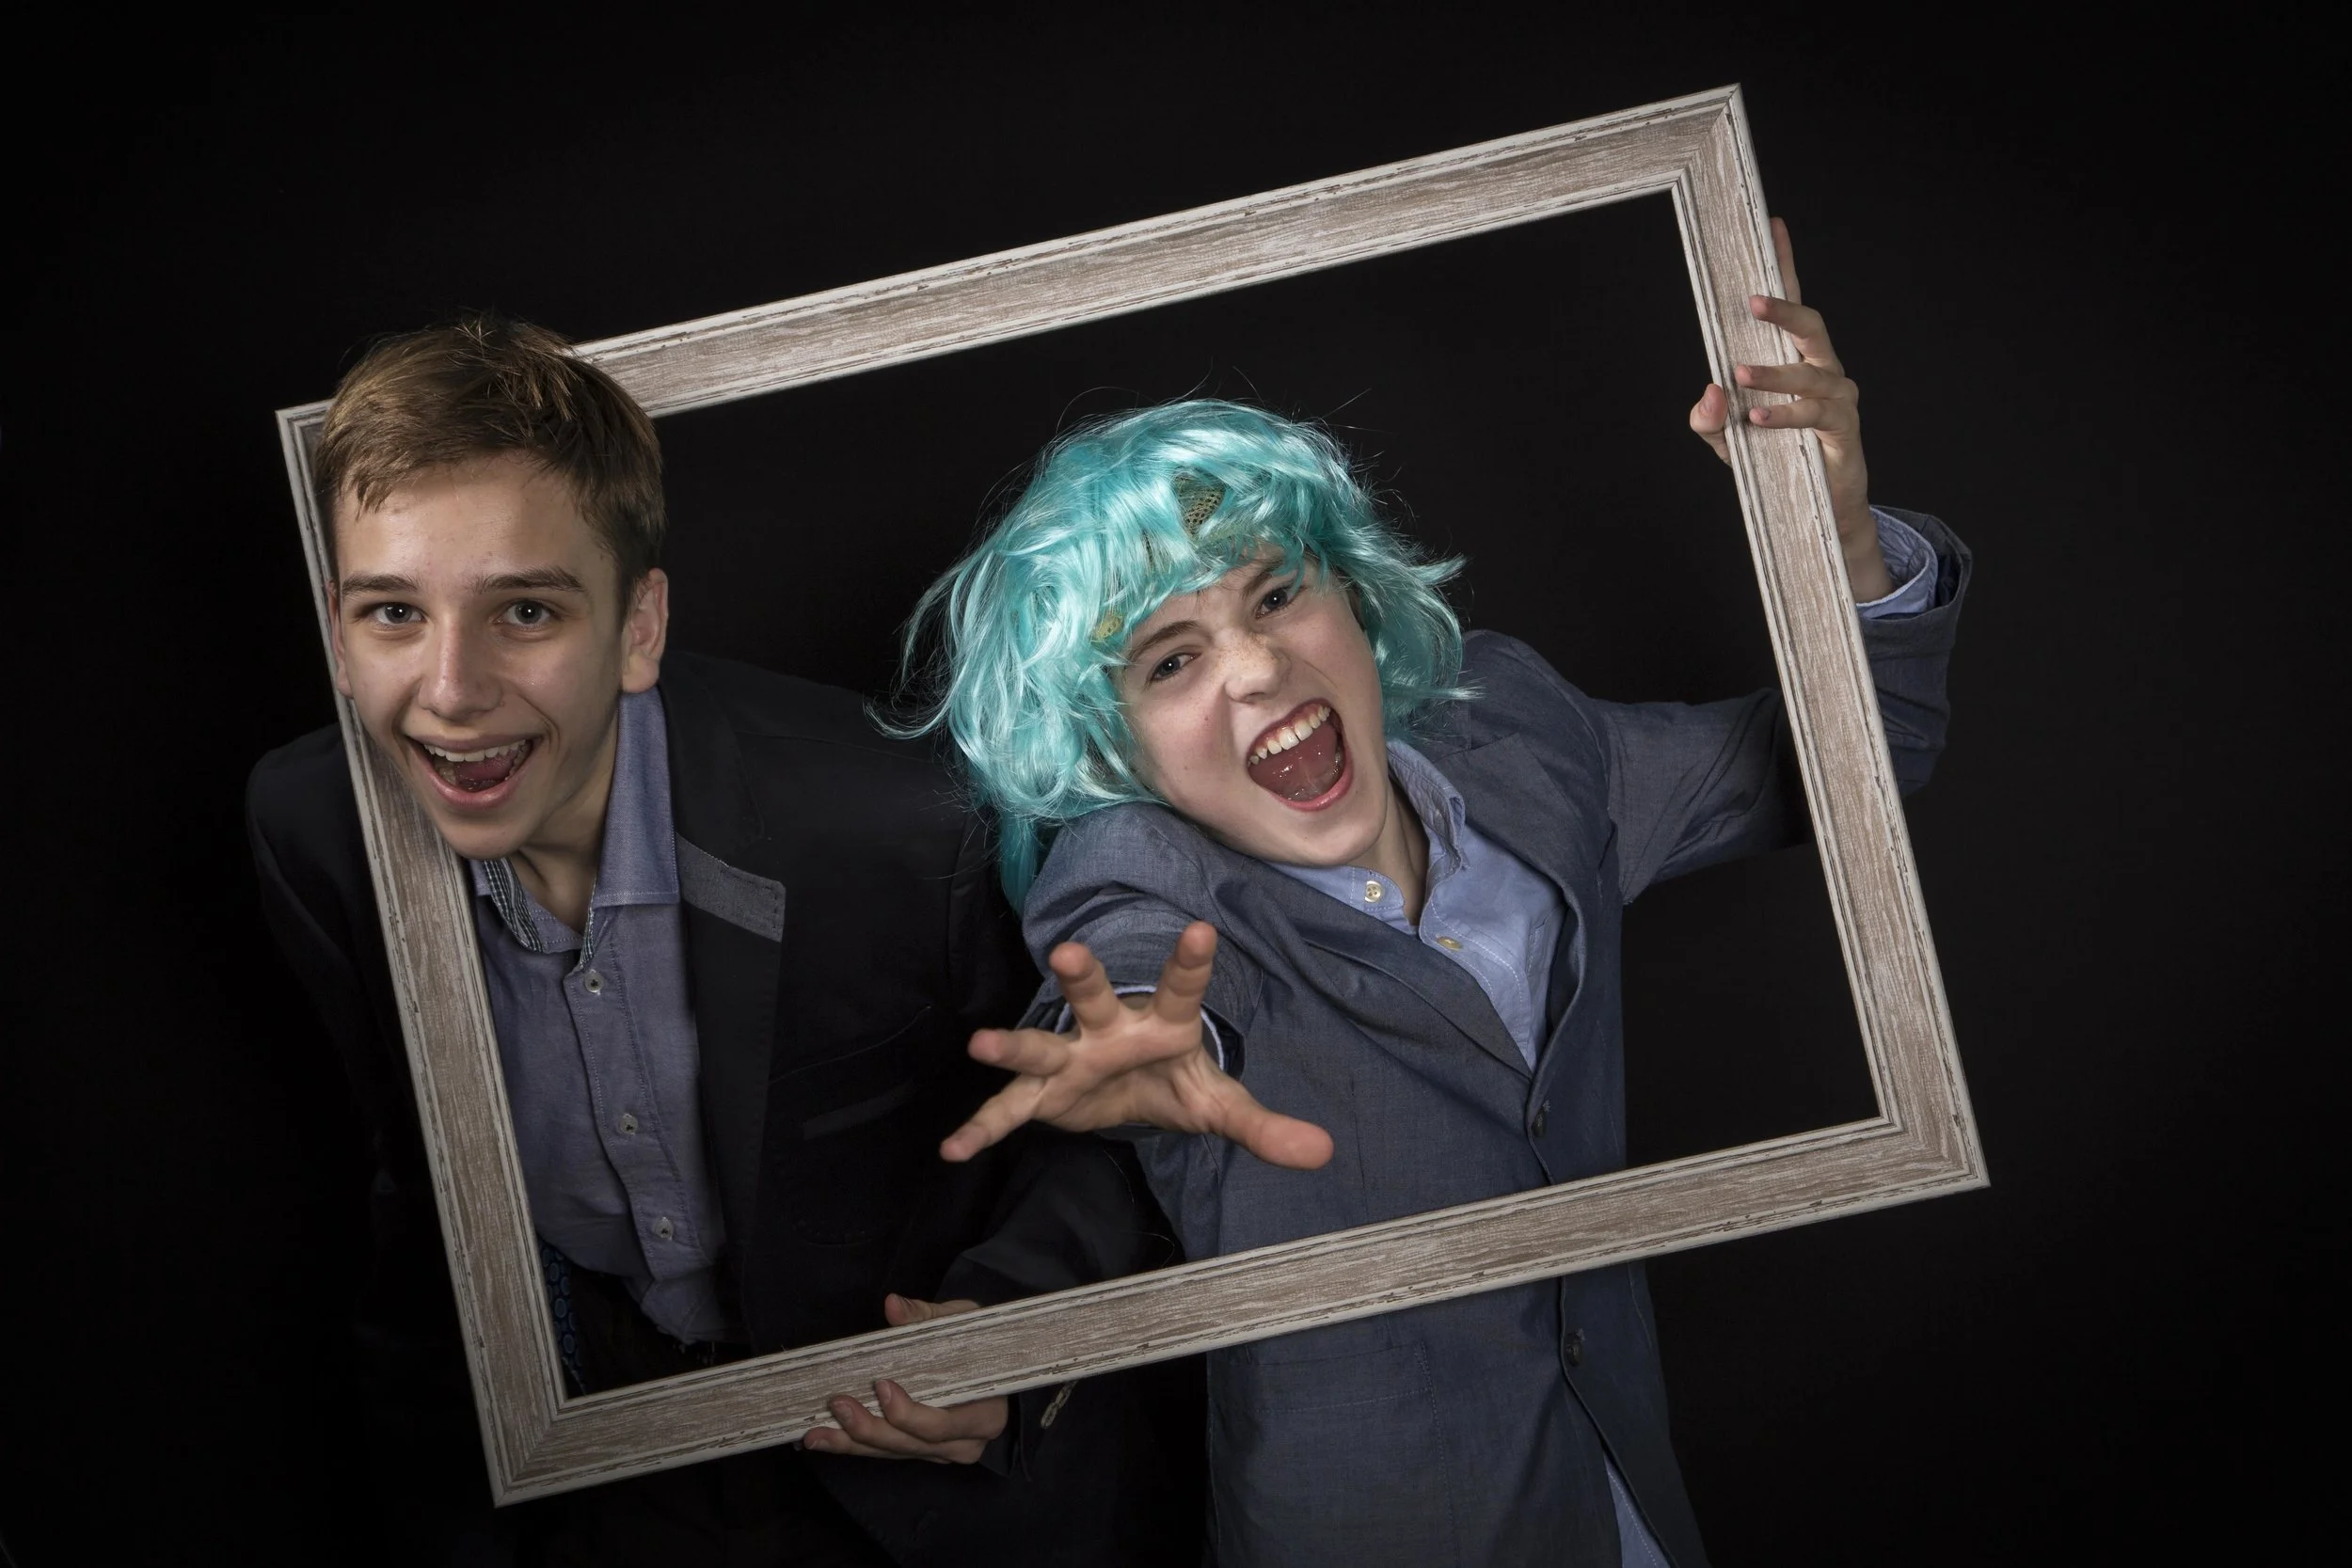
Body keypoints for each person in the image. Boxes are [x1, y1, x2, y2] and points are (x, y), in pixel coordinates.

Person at [899, 226, 1969, 1566]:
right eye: (1171, 661)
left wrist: (1841, 533)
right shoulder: (1142, 868)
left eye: (1276, 595)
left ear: (1350, 593)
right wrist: (1132, 1046)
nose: (1253, 668)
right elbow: (1119, 967)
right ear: (1115, 753)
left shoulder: (1517, 738)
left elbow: (1861, 758)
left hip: (1627, 1501)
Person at [246, 315, 1200, 1567]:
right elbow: (417, 1174)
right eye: (392, 613)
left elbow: (1094, 1127)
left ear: (638, 627)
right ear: (336, 631)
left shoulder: (895, 824)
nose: (452, 690)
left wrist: (1008, 1337)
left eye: (524, 609)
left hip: (909, 1487)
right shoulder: (312, 827)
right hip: (602, 1474)